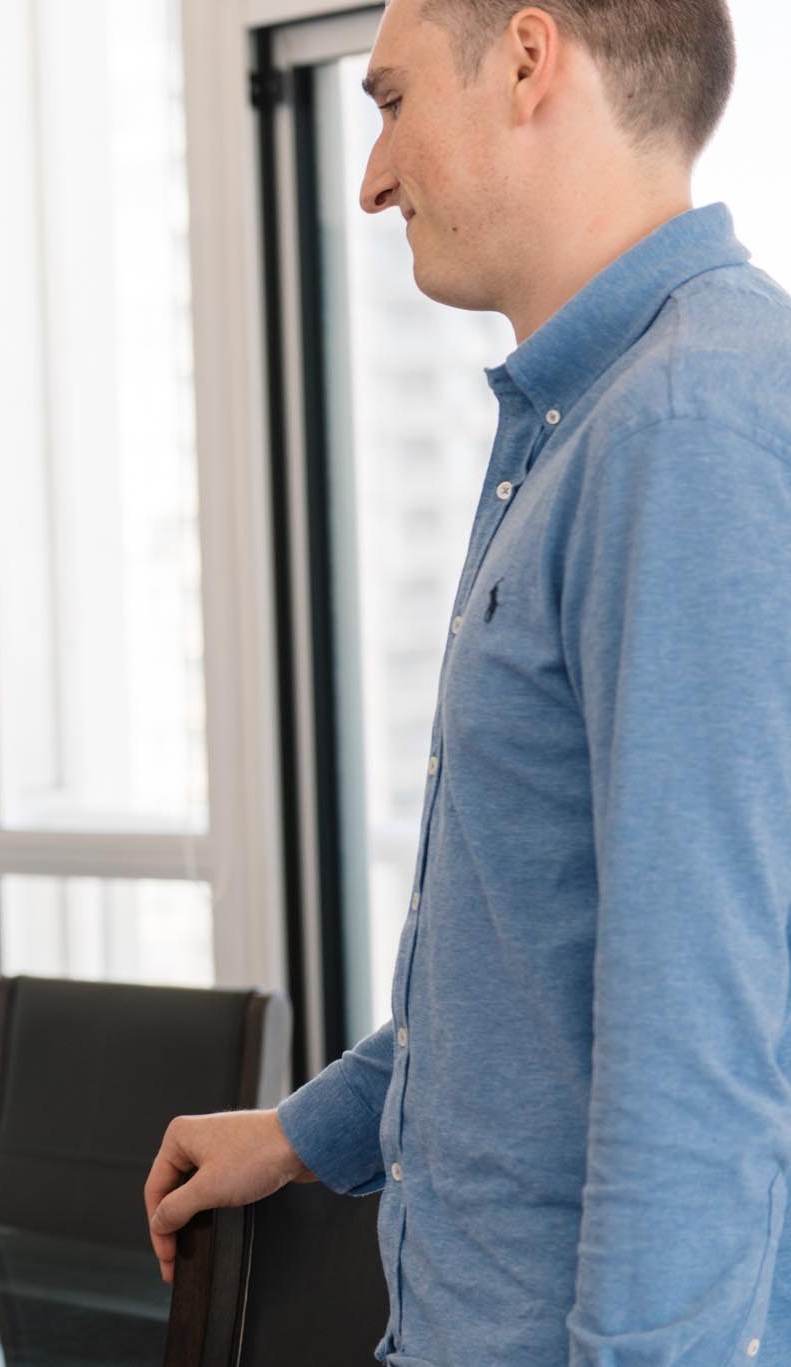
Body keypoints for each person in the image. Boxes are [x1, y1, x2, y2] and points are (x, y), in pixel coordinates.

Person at [144, 1, 791, 1362]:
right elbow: (543, 937)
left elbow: (703, 1033)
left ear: (529, 58)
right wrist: (310, 1127)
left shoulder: (684, 427)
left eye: (387, 103)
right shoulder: (603, 417)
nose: (372, 179)